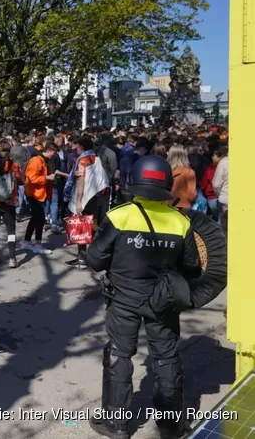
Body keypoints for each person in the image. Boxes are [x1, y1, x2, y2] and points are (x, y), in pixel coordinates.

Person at [87, 155, 201, 439]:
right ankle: (171, 424)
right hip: (163, 302)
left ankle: (117, 423)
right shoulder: (180, 221)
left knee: (119, 354)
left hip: (123, 300)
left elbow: (96, 259)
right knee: (166, 356)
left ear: (133, 182)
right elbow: (191, 267)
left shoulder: (119, 215)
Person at [63, 135, 110, 269]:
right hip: (98, 195)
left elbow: (80, 180)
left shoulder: (82, 160)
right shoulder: (96, 158)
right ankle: (92, 256)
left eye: (76, 145)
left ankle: (83, 258)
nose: (74, 148)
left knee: (81, 227)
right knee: (94, 226)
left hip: (86, 197)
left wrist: (78, 201)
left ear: (81, 146)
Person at [22, 142, 57, 255]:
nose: (54, 155)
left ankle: (27, 242)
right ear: (49, 150)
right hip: (34, 194)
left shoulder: (41, 160)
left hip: (37, 194)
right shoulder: (37, 160)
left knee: (35, 218)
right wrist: (46, 178)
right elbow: (32, 178)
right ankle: (37, 244)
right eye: (54, 152)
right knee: (40, 219)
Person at [168, 144, 196, 209]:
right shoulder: (189, 172)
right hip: (183, 207)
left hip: (166, 206)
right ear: (185, 155)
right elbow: (191, 196)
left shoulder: (164, 169)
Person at [212, 144, 229, 236]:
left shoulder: (224, 162)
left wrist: (219, 195)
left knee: (225, 229)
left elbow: (216, 184)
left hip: (225, 199)